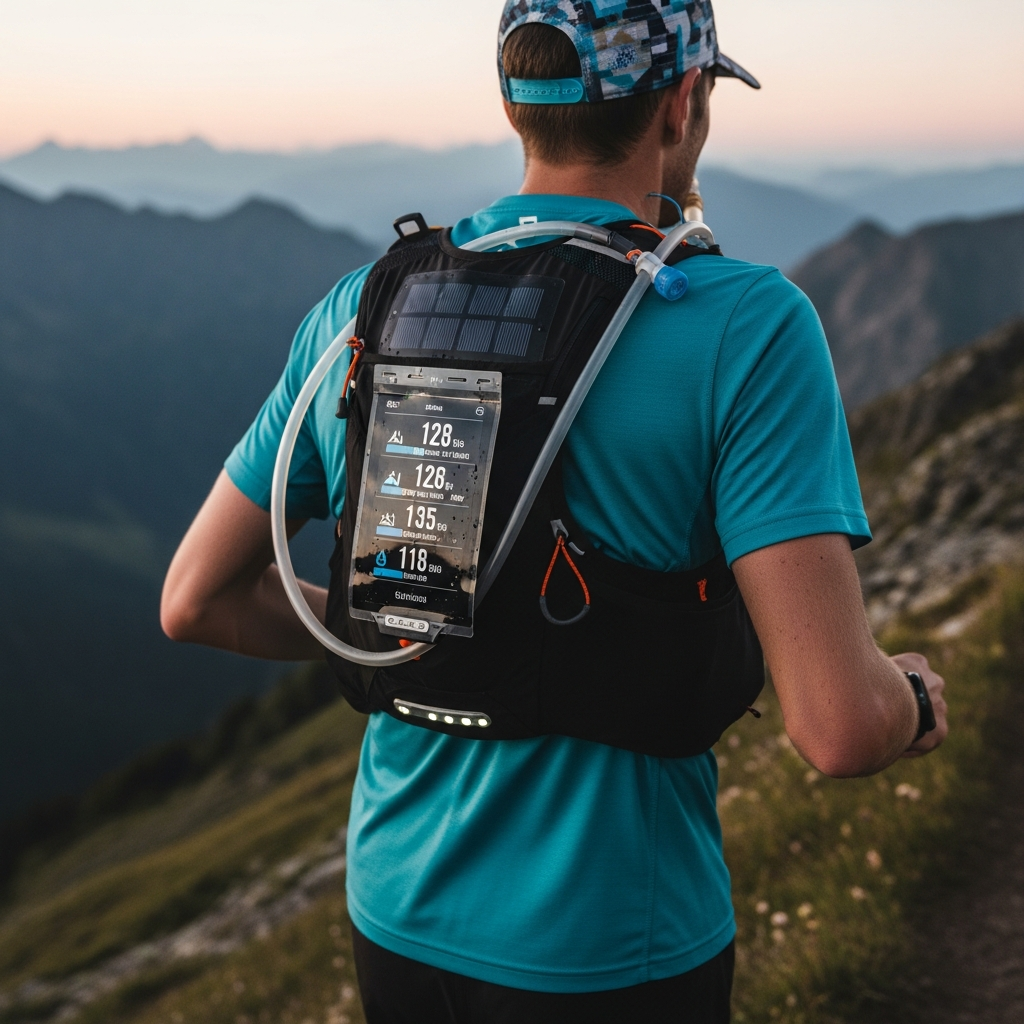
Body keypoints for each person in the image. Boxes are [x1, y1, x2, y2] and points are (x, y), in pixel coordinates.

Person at [161, 2, 948, 1021]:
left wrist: (411, 630)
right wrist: (915, 698)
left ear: (511, 98)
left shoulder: (361, 307)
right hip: (616, 945)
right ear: (679, 105)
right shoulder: (747, 327)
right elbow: (839, 728)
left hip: (395, 914)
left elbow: (196, 601)